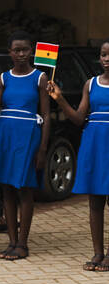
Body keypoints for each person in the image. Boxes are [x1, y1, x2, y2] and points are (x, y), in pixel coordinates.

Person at [0, 31, 50, 260]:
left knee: (25, 188)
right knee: (7, 189)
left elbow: (47, 115)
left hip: (28, 135)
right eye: (16, 50)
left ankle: (23, 243)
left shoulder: (40, 78)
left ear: (32, 51)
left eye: (25, 49)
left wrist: (42, 149)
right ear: (9, 52)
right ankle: (11, 241)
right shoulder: (4, 78)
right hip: (5, 136)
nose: (21, 54)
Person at [47, 38, 109, 270]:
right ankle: (97, 253)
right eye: (103, 55)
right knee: (95, 201)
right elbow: (78, 119)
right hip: (93, 144)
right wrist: (59, 98)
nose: (107, 59)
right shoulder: (90, 84)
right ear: (99, 57)